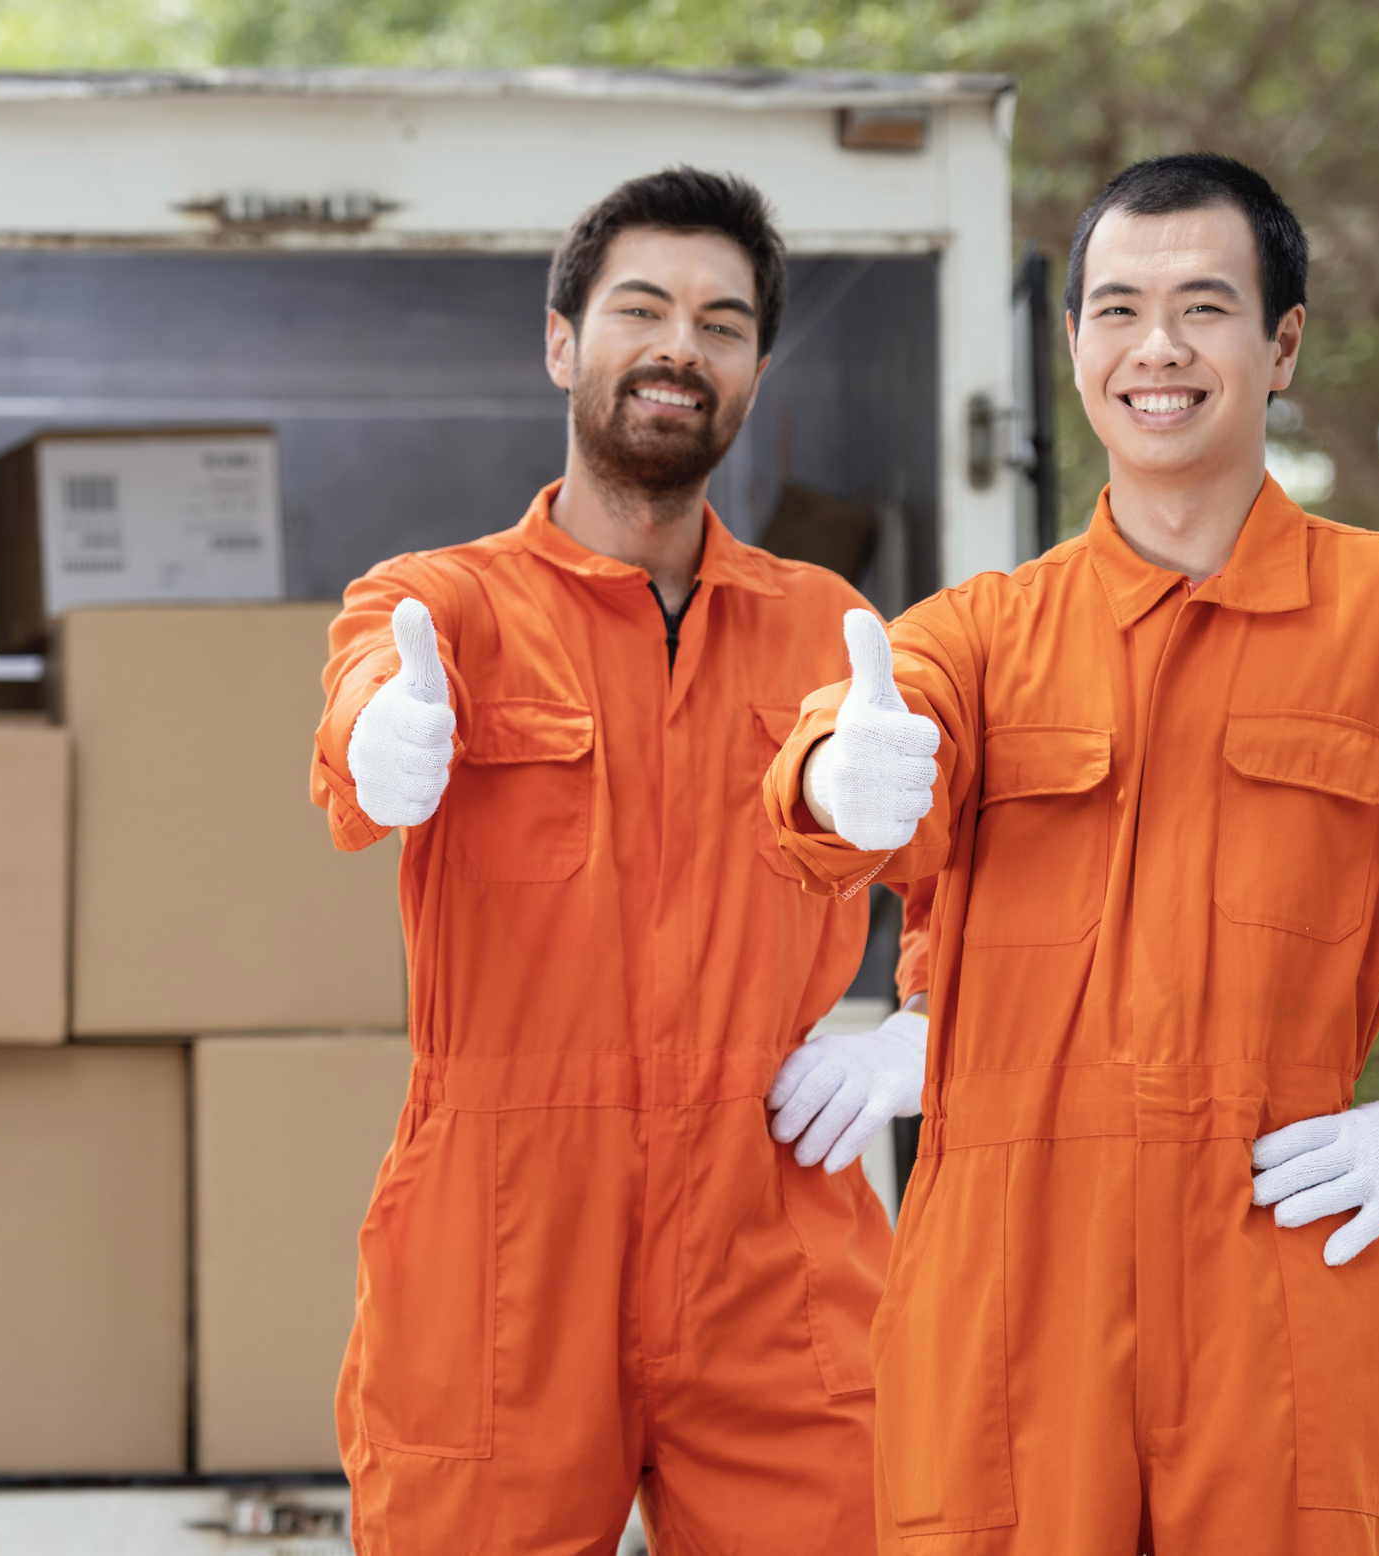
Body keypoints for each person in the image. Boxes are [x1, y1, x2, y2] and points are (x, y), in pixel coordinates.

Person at [762, 152, 1379, 1556]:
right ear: (1074, 344)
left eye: (1203, 306)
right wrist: (842, 775)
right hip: (1008, 1301)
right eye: (1117, 308)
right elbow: (846, 753)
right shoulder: (975, 637)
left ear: (1283, 345)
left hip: (1280, 1265)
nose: (1156, 348)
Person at [313, 167, 925, 1556]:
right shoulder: (437, 605)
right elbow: (357, 721)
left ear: (758, 368)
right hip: (504, 1240)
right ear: (561, 342)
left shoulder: (829, 629)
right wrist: (381, 742)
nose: (678, 347)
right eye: (640, 308)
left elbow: (965, 861)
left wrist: (923, 1020)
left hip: (770, 1223)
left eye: (722, 323)